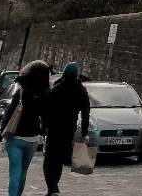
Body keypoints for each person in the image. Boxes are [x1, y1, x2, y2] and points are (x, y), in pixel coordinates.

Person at [0, 60, 50, 196]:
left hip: (15, 136)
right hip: (32, 139)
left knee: (14, 173)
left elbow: (9, 114)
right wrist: (43, 132)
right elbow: (46, 116)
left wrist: (2, 134)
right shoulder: (45, 94)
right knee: (23, 172)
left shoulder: (22, 91)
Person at [43, 62, 90, 196]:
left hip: (54, 128)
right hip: (69, 130)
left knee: (48, 161)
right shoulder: (81, 90)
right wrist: (84, 132)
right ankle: (53, 188)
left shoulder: (58, 88)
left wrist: (44, 127)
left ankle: (52, 188)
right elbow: (86, 111)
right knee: (58, 161)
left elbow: (47, 109)